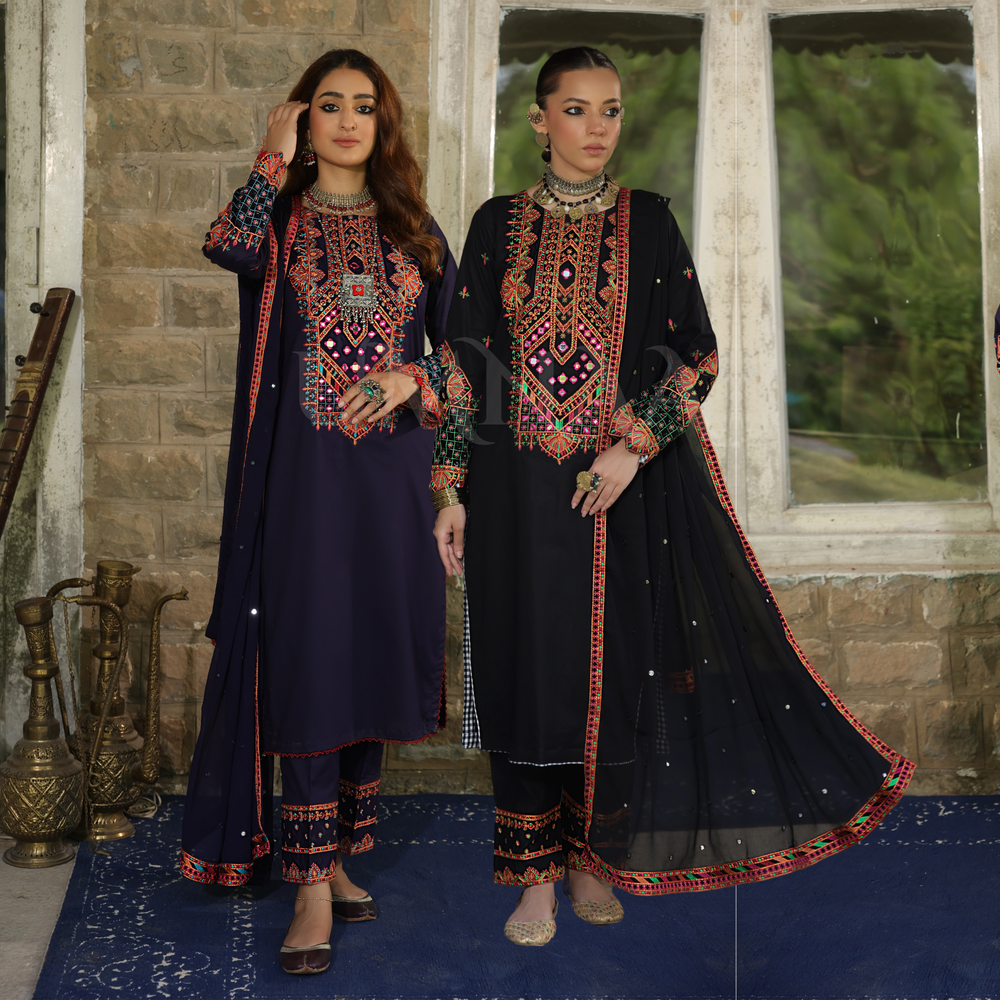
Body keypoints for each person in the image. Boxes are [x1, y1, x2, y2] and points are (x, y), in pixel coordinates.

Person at [431, 46, 913, 947]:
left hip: (617, 499)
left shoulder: (648, 219)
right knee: (523, 670)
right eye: (577, 109)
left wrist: (632, 448)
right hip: (513, 494)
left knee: (612, 675)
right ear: (539, 120)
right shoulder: (497, 222)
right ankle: (532, 878)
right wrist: (450, 487)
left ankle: (590, 861)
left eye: (611, 110)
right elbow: (464, 364)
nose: (597, 128)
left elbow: (699, 355)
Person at [180, 49, 456, 975]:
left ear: (385, 123)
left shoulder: (414, 231)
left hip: (393, 485)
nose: (345, 121)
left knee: (369, 654)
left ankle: (334, 858)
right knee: (310, 661)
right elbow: (224, 244)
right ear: (304, 120)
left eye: (362, 106)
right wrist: (271, 152)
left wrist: (410, 375)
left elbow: (469, 360)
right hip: (301, 487)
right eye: (326, 105)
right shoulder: (279, 222)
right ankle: (305, 883)